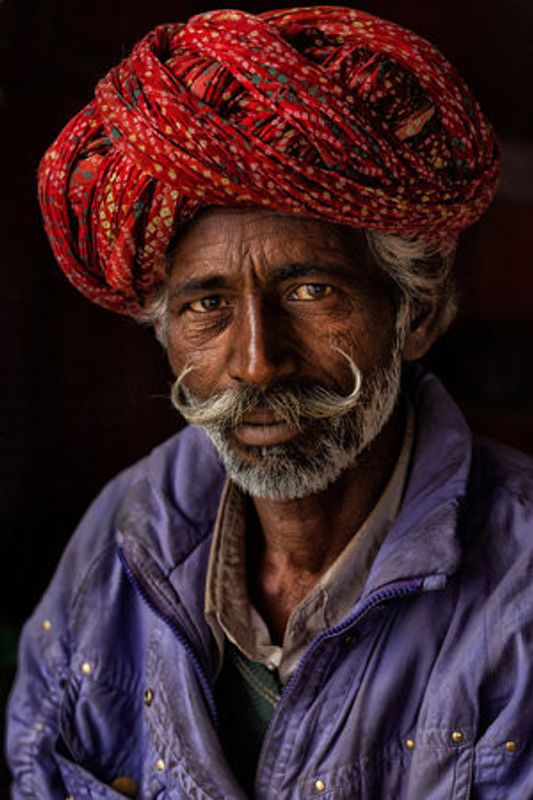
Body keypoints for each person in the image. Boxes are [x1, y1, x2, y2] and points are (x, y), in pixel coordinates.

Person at [6, 6, 532, 799]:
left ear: (414, 315)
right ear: (166, 336)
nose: (256, 364)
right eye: (205, 306)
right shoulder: (123, 534)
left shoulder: (520, 589)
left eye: (311, 290)